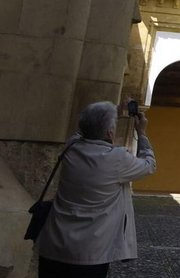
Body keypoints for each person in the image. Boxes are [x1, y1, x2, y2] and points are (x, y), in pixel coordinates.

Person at [34, 100, 156, 278]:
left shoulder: (72, 146)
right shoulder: (117, 158)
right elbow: (149, 164)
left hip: (54, 244)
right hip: (90, 253)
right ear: (109, 131)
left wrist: (111, 113)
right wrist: (141, 132)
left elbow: (83, 128)